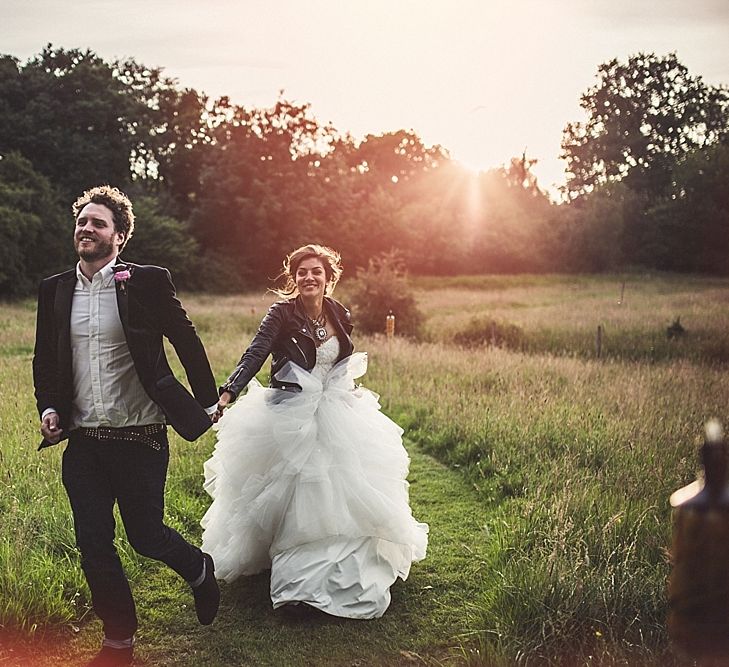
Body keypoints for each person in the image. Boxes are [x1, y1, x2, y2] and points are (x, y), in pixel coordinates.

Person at [32, 185, 221, 667]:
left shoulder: (145, 281)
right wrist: (49, 407)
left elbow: (185, 339)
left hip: (140, 435)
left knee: (145, 536)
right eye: (82, 221)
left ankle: (199, 568)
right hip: (85, 441)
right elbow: (46, 359)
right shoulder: (54, 289)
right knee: (93, 541)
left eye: (98, 223)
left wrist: (206, 402)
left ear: (119, 236)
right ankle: (118, 641)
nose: (86, 229)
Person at [202, 244, 428, 619]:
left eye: (316, 272)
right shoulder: (281, 313)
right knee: (295, 489)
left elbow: (339, 361)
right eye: (302, 272)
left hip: (337, 408)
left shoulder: (339, 312)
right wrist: (228, 391)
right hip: (290, 412)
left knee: (342, 487)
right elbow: (256, 352)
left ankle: (341, 569)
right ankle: (297, 584)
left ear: (329, 278)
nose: (309, 277)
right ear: (294, 278)